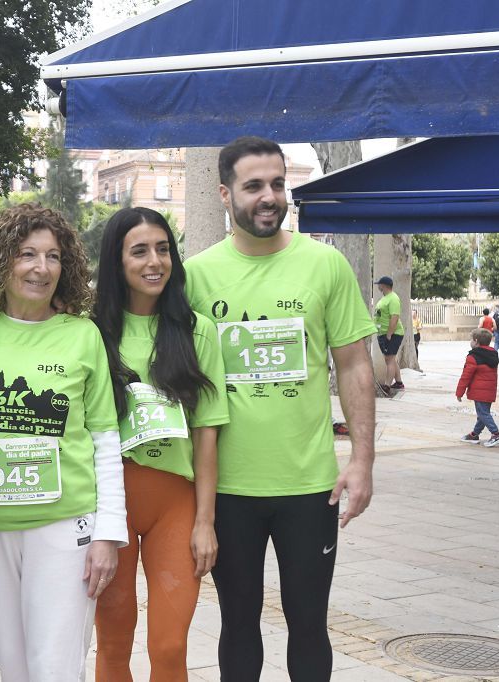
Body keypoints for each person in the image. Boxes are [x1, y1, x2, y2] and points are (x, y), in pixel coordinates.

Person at [184, 136, 376, 681]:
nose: (269, 197)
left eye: (277, 184)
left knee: (309, 622)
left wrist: (362, 461)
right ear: (225, 194)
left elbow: (356, 367)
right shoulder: (196, 277)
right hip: (227, 489)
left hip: (310, 486)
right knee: (237, 623)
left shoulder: (325, 264)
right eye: (253, 187)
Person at [0, 203, 126, 681]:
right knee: (13, 666)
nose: (40, 268)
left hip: (63, 527)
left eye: (53, 256)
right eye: (26, 254)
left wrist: (106, 533)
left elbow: (104, 438)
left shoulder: (82, 336)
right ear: (2, 260)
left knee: (54, 666)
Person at [91, 207, 228, 681]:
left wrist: (205, 522)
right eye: (140, 251)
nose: (155, 261)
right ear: (116, 261)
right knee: (113, 642)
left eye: (164, 249)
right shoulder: (89, 333)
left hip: (177, 505)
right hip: (110, 507)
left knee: (169, 646)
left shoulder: (197, 331)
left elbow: (206, 433)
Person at [457, 328, 499, 447]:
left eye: (471, 340)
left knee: (483, 413)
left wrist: (459, 392)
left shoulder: (473, 357)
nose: (470, 342)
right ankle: (474, 434)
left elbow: (465, 376)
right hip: (489, 390)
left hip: (479, 391)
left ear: (476, 341)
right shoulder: (493, 354)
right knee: (483, 413)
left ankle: (496, 434)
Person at [374, 276, 405, 392]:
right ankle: (399, 382)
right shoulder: (386, 298)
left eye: (379, 284)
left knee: (389, 359)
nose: (378, 286)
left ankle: (387, 386)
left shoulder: (393, 298)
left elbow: (394, 317)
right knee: (391, 358)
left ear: (384, 285)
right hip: (384, 333)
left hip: (393, 333)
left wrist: (389, 334)